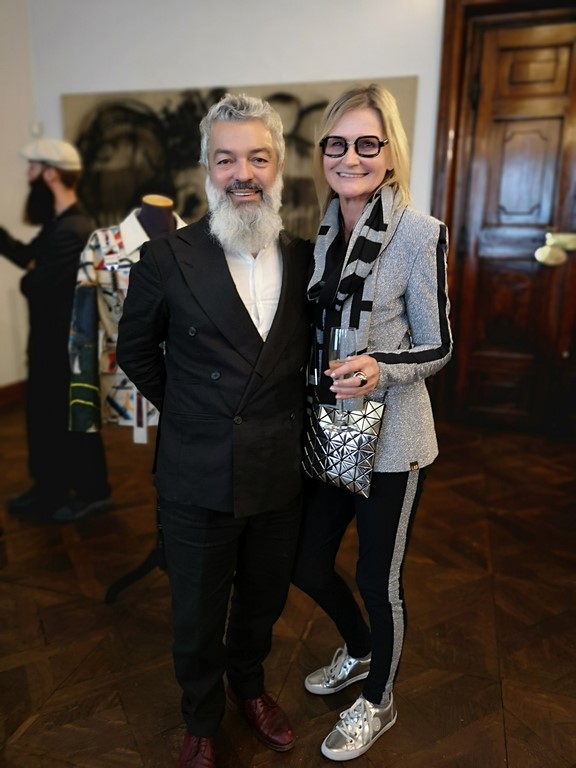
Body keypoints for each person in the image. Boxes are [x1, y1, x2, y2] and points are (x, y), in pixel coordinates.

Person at [116, 93, 312, 768]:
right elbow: (135, 351)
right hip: (196, 469)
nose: (242, 173)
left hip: (279, 466)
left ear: (278, 165)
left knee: (263, 598)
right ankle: (200, 719)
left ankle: (248, 689)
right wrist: (196, 413)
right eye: (226, 159)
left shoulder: (307, 257)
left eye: (257, 157)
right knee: (197, 611)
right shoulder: (165, 258)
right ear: (207, 168)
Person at [291, 83, 453, 762]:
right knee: (306, 563)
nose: (350, 157)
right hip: (334, 426)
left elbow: (439, 345)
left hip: (393, 437)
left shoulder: (419, 233)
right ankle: (360, 651)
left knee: (376, 579)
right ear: (323, 152)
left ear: (389, 153)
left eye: (366, 143)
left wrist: (379, 367)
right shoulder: (324, 229)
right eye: (337, 144)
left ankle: (378, 701)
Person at [0, 138, 111, 520]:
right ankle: (52, 488)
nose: (28, 176)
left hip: (62, 347)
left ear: (49, 174)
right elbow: (28, 260)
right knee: (54, 419)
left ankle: (86, 492)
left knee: (65, 421)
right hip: (54, 344)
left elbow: (36, 284)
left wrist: (32, 275)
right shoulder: (60, 226)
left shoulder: (71, 230)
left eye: (32, 169)